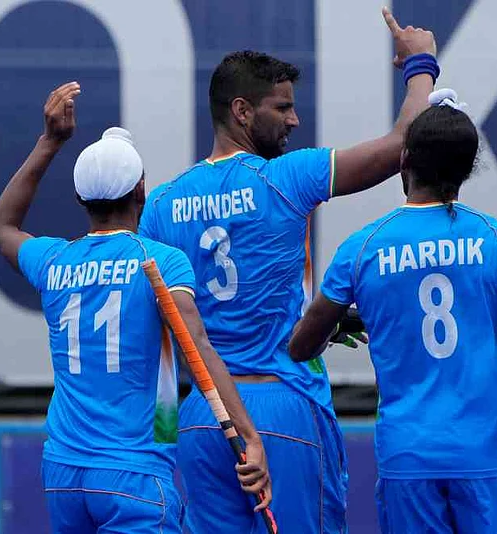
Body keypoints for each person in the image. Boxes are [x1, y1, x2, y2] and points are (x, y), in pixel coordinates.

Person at [137, 7, 437, 532]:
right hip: (282, 407)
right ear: (242, 111)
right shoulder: (286, 178)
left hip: (204, 415)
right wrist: (421, 66)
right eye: (282, 107)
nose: (294, 120)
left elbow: (173, 316)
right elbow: (403, 147)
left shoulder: (160, 206)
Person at [288, 89, 497, 534]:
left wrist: (336, 324)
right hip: (486, 459)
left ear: (404, 160)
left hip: (407, 459)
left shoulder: (362, 248)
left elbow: (301, 347)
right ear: (467, 170)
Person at [0, 81, 270, 533]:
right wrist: (250, 438)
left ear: (79, 198)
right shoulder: (160, 262)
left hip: (63, 476)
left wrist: (50, 141)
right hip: (134, 475)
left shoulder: (53, 260)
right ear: (141, 190)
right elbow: (197, 348)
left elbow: (0, 227)